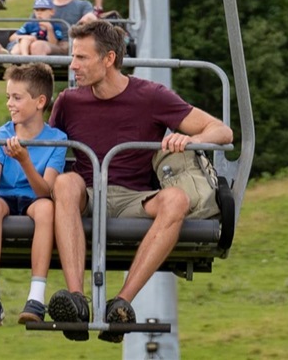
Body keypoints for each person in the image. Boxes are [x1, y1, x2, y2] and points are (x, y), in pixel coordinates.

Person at [45, 17, 233, 337]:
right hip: (87, 194)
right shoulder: (68, 101)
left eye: (81, 57)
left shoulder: (151, 96)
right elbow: (45, 145)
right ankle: (76, 299)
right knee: (65, 182)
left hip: (134, 197)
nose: (72, 65)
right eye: (72, 56)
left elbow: (221, 129)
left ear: (109, 59)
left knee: (176, 200)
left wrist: (188, 139)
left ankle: (121, 303)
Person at [0, 62, 69, 330]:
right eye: (7, 97)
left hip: (35, 200)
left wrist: (25, 160)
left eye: (16, 97)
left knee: (47, 210)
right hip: (4, 197)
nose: (9, 104)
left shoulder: (56, 140)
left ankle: (35, 297)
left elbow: (45, 191)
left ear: (39, 102)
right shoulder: (3, 134)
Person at [6, 0, 93, 58]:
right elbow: (29, 28)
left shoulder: (82, 5)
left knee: (37, 46)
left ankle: (37, 70)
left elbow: (91, 18)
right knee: (24, 46)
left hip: (67, 45)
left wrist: (87, 20)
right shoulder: (43, 4)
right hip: (40, 41)